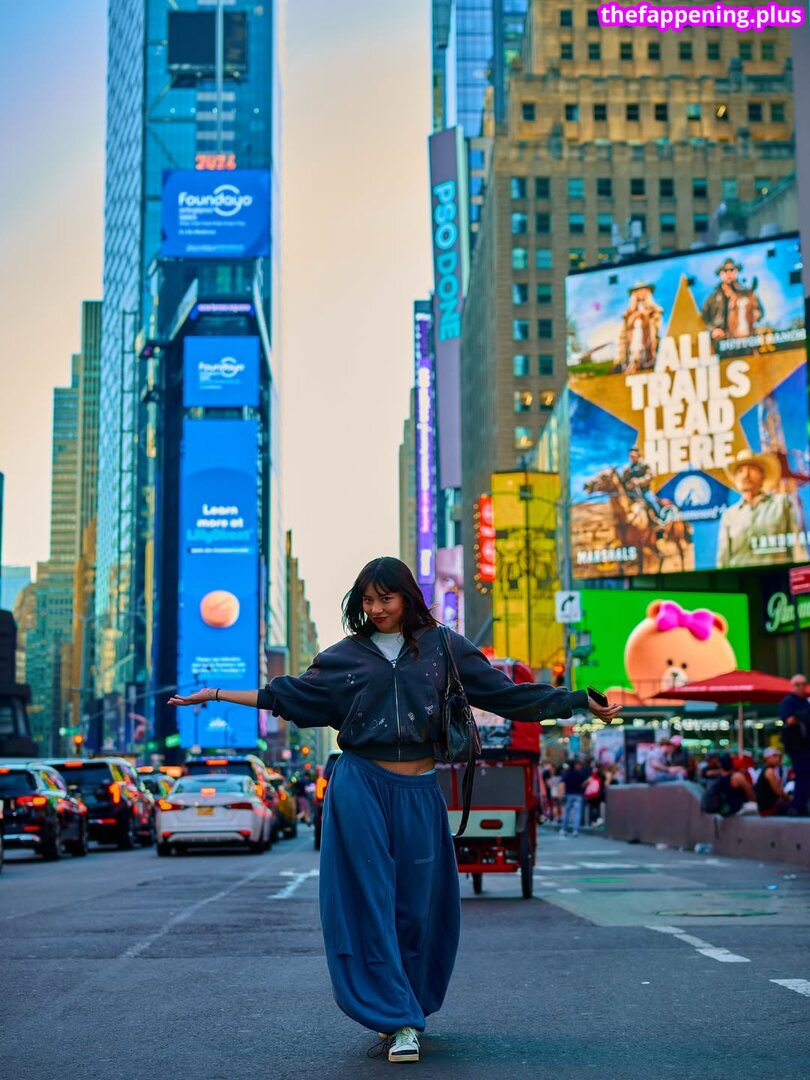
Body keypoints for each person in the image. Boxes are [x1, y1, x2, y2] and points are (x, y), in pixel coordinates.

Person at [168, 556, 621, 1065]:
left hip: (420, 789)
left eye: (386, 598)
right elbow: (286, 695)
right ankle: (398, 1018)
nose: (377, 608)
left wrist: (577, 701)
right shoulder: (344, 657)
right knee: (368, 901)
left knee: (419, 905)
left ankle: (407, 1002)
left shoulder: (444, 647)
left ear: (407, 596)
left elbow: (506, 695)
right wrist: (216, 694)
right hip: (360, 785)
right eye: (368, 600)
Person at [716, 449, 806, 569]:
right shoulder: (729, 515)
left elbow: (797, 546)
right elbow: (723, 560)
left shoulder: (781, 504)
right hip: (741, 578)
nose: (746, 475)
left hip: (776, 576)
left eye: (752, 469)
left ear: (762, 476)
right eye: (740, 471)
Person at [700, 257, 763, 341]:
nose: (729, 273)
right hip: (721, 341)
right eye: (725, 271)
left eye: (732, 270)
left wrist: (752, 316)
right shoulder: (713, 299)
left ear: (736, 271)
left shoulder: (747, 294)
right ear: (720, 274)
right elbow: (704, 319)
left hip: (744, 339)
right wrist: (713, 330)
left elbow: (759, 312)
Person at [779, 674, 810, 817]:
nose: (801, 687)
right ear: (792, 686)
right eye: (798, 684)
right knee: (802, 776)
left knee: (806, 776)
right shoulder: (788, 701)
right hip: (797, 747)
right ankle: (799, 806)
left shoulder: (805, 702)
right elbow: (789, 720)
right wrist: (803, 715)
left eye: (804, 684)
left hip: (806, 745)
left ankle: (802, 805)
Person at [621, 447, 669, 528]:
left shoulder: (644, 465)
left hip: (644, 491)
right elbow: (624, 482)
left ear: (638, 456)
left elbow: (651, 475)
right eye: (630, 456)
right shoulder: (627, 469)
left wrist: (639, 481)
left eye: (633, 456)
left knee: (651, 501)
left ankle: (660, 519)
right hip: (632, 494)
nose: (632, 458)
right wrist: (630, 484)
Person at [755, 747, 791, 817]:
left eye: (779, 756)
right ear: (766, 758)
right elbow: (779, 792)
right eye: (774, 756)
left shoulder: (768, 770)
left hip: (768, 807)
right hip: (768, 809)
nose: (778, 759)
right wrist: (791, 799)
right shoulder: (769, 771)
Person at [559, 758, 591, 835]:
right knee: (577, 813)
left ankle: (563, 829)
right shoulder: (579, 774)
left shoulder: (566, 774)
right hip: (578, 795)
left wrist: (560, 793)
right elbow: (583, 784)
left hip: (568, 794)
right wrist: (587, 782)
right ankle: (575, 830)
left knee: (566, 813)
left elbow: (562, 784)